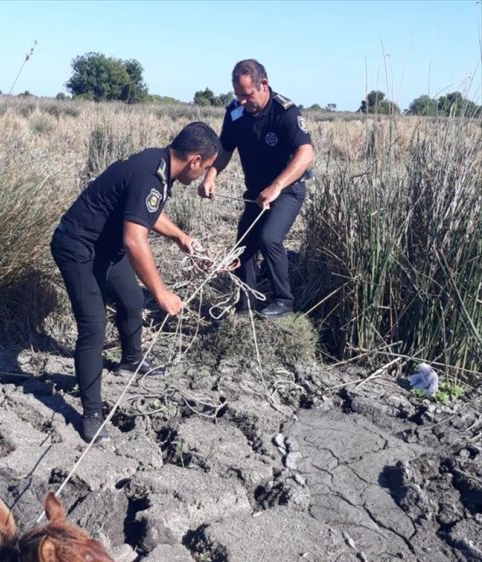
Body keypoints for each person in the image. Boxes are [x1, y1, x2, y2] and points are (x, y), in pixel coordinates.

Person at [51, 121, 220, 444]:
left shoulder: (160, 165)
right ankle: (91, 415)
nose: (202, 174)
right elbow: (134, 240)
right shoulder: (150, 176)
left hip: (103, 248)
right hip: (77, 247)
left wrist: (180, 236)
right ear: (195, 160)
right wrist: (161, 293)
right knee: (93, 326)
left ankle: (131, 361)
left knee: (130, 300)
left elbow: (144, 211)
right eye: (207, 167)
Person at [198, 59, 314, 319]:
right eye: (237, 95)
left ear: (264, 84)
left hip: (287, 190)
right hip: (255, 193)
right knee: (244, 246)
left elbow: (305, 154)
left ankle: (284, 302)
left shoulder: (285, 112)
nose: (241, 101)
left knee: (269, 237)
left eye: (247, 95)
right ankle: (245, 303)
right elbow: (225, 148)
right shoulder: (235, 113)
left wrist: (276, 186)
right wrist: (211, 175)